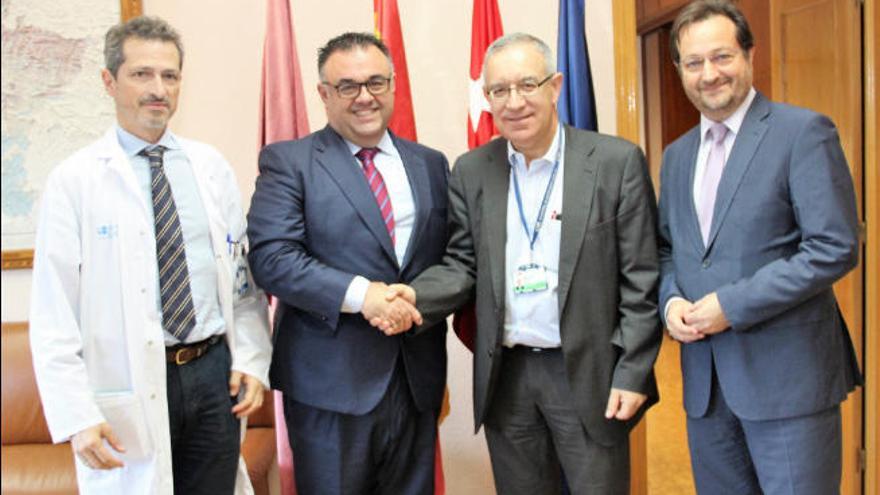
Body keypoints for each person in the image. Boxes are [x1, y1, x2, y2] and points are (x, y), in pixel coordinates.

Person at [382, 33, 661, 494]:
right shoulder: (473, 170)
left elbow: (641, 279)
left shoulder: (614, 162)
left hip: (590, 375)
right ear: (487, 98)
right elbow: (462, 264)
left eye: (527, 85)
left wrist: (632, 371)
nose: (514, 102)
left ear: (555, 87)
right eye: (499, 91)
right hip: (507, 378)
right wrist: (414, 296)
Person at [29, 16, 272, 495]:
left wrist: (251, 359)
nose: (157, 88)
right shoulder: (74, 181)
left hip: (212, 374)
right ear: (109, 81)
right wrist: (77, 414)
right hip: (130, 379)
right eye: (142, 74)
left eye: (170, 75)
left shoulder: (210, 168)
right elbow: (54, 315)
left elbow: (242, 284)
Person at [657, 1, 862, 493]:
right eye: (694, 62)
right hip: (706, 389)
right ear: (680, 70)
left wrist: (732, 305)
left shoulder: (802, 132)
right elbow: (668, 250)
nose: (709, 74)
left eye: (722, 56)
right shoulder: (676, 155)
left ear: (749, 54)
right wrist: (670, 302)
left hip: (788, 385)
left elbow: (834, 247)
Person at [246, 32, 449, 495]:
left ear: (393, 85)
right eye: (348, 86)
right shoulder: (290, 162)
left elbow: (450, 259)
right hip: (329, 389)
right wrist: (365, 296)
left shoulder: (430, 164)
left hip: (414, 380)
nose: (365, 97)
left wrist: (415, 300)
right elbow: (273, 259)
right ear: (324, 94)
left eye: (376, 82)